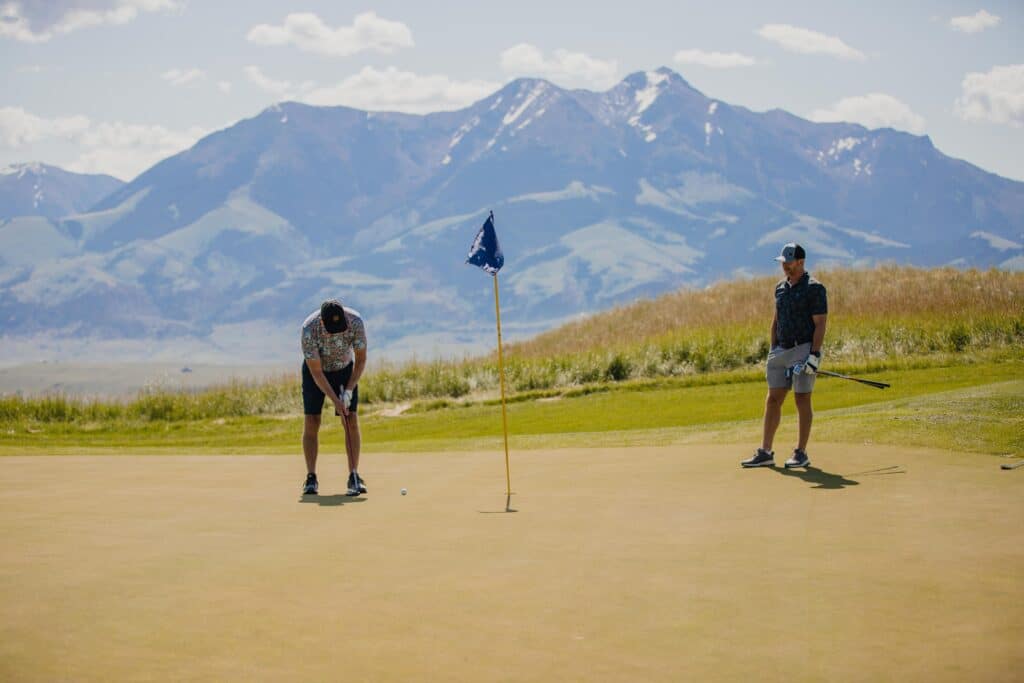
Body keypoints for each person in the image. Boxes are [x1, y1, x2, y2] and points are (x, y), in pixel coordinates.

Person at [742, 243, 828, 469]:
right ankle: (766, 452)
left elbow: (820, 324)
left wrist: (814, 355)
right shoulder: (780, 287)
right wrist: (773, 348)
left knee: (802, 398)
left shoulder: (814, 288)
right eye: (783, 263)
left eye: (789, 263)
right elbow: (776, 319)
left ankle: (801, 452)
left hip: (803, 348)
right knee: (773, 399)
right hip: (781, 350)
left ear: (800, 262)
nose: (785, 267)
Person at [300, 299, 368, 496]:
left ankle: (354, 475)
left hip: (345, 369)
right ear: (322, 322)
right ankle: (311, 477)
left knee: (351, 419)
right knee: (312, 420)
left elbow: (361, 359)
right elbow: (316, 372)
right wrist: (335, 400)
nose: (337, 332)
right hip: (317, 372)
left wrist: (348, 390)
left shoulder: (355, 322)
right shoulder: (309, 329)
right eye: (333, 329)